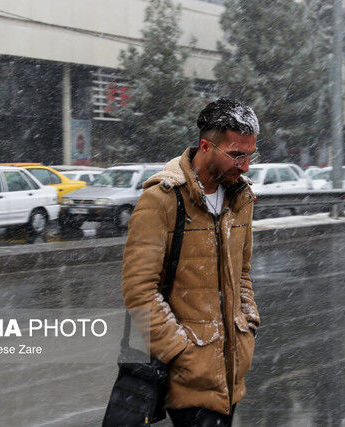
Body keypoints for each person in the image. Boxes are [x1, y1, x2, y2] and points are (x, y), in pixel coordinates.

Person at [122, 99, 261, 426]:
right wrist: (180, 351)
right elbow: (139, 290)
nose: (245, 166)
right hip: (187, 376)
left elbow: (242, 272)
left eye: (250, 155)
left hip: (230, 373)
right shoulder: (162, 199)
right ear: (205, 146)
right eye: (236, 154)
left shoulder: (241, 199)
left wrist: (247, 323)